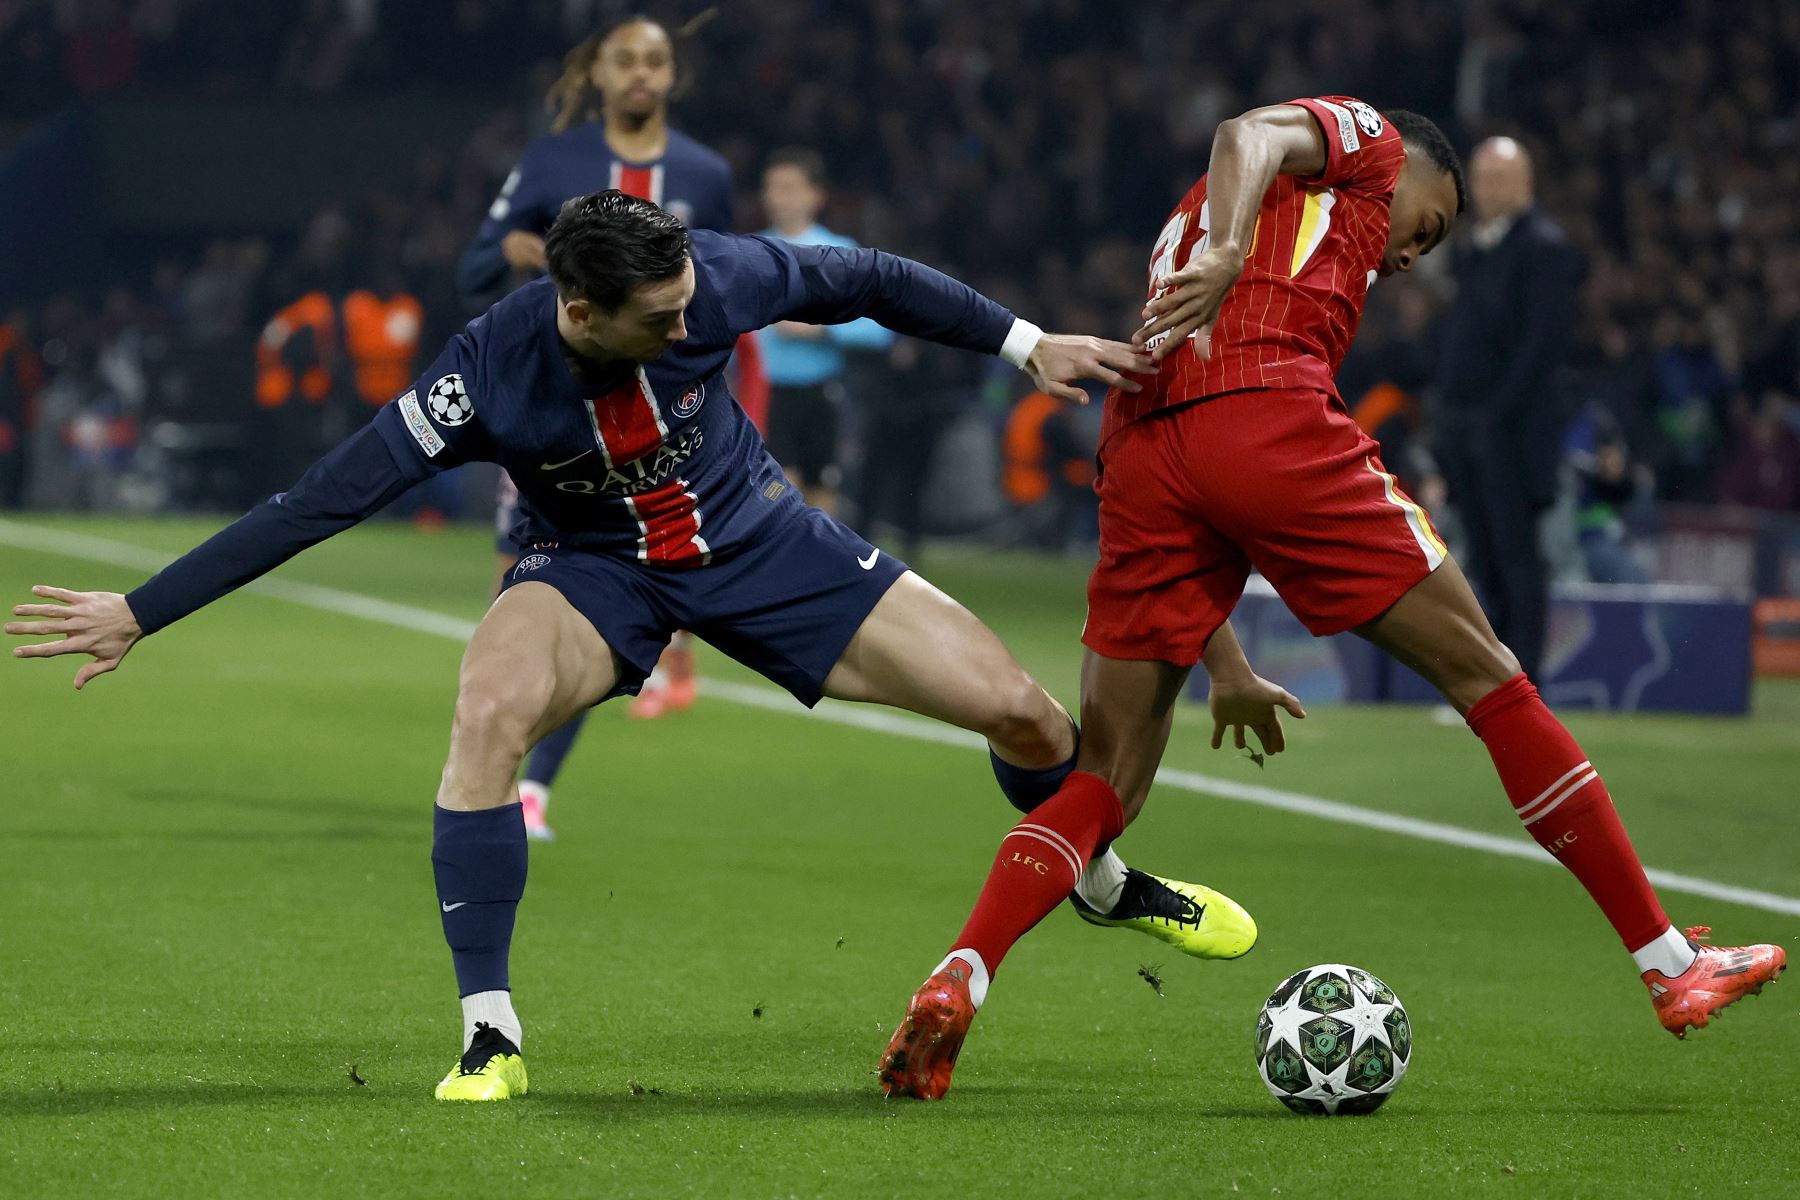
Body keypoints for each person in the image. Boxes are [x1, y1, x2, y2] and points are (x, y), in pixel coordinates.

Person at [8, 191, 1268, 1104]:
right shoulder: (485, 375)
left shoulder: (713, 275)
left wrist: (1022, 341)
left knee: (1032, 722)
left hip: (758, 536)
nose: (690, 330)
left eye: (688, 308)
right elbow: (318, 500)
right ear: (577, 310)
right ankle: (490, 1033)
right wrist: (143, 610)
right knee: (489, 706)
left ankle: (1100, 884)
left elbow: (871, 276)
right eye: (656, 320)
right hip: (595, 571)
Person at [879, 98, 1784, 1100]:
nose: (1412, 256)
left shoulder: (1236, 222)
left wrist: (1224, 667)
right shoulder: (1371, 146)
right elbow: (1244, 133)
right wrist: (1227, 254)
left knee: (1110, 784)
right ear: (1421, 177)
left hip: (1144, 442)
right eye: (1428, 228)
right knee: (1492, 681)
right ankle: (1669, 964)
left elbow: (1202, 480)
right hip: (1264, 403)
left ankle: (961, 971)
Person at [458, 15, 733, 836]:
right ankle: (513, 771)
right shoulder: (554, 161)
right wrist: (539, 254)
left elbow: (724, 290)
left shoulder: (704, 173)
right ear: (600, 73)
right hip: (561, 421)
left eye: (657, 60)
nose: (642, 74)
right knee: (527, 592)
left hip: (671, 425)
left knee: (607, 591)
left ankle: (530, 784)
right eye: (627, 61)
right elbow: (474, 264)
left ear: (672, 75)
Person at [1432, 137, 1585, 679]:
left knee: (1518, 560)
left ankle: (1525, 684)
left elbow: (1540, 349)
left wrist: (1493, 416)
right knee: (1486, 561)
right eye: (1481, 176)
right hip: (1470, 429)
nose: (1486, 187)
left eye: (1498, 177)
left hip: (1513, 435)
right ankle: (1493, 680)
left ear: (1526, 183)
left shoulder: (1544, 248)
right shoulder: (1475, 250)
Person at [756, 147, 895, 514]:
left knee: (821, 501)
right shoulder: (750, 251)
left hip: (822, 393)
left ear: (816, 195)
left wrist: (817, 330)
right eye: (772, 187)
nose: (777, 197)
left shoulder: (840, 253)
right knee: (778, 495)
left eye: (789, 187)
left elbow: (880, 329)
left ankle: (818, 569)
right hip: (767, 394)